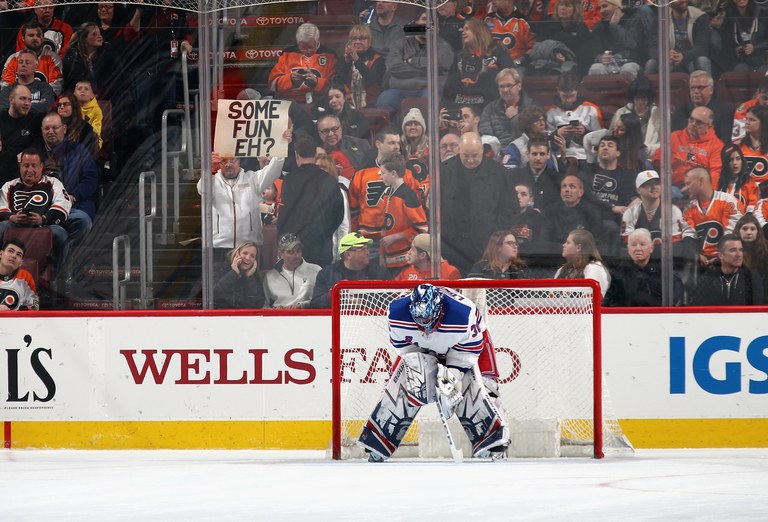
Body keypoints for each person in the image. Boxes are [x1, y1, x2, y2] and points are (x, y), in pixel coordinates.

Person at [358, 283, 509, 461]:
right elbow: (407, 350)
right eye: (419, 321)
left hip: (465, 349)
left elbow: (467, 353)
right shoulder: (396, 312)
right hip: (422, 348)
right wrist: (422, 370)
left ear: (440, 309)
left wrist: (451, 379)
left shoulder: (463, 313)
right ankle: (379, 439)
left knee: (482, 388)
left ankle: (494, 442)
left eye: (429, 319)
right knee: (408, 383)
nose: (425, 326)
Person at [440, 132, 518, 275]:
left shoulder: (498, 171)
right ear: (458, 151)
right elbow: (435, 206)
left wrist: (496, 234)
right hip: (451, 247)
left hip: (486, 247)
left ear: (482, 150)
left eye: (475, 155)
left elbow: (511, 207)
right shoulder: (444, 170)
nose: (470, 160)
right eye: (466, 156)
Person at [39, 111, 99, 268]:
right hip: (43, 209)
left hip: (74, 206)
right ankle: (63, 266)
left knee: (84, 222)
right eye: (47, 128)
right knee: (57, 232)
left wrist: (73, 196)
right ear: (41, 130)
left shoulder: (78, 150)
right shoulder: (35, 153)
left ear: (64, 129)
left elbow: (91, 178)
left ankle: (63, 261)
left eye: (55, 128)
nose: (51, 132)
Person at [0, 148, 71, 278]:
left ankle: (56, 277)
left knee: (60, 233)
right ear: (20, 166)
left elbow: (62, 207)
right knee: (1, 227)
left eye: (34, 166)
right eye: (26, 165)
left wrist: (43, 219)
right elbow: (1, 209)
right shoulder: (9, 186)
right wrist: (12, 217)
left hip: (44, 225)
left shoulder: (53, 183)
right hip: (15, 225)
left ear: (41, 167)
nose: (30, 170)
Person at [198, 152, 285, 256]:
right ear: (219, 164)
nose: (228, 164)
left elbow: (273, 171)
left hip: (249, 245)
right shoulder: (212, 180)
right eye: (224, 161)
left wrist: (281, 150)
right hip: (219, 245)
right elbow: (202, 190)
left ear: (239, 161)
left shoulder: (253, 179)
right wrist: (208, 169)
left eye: (232, 160)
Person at [278, 136, 345, 267]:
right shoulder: (330, 180)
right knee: (319, 285)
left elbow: (284, 215)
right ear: (315, 154)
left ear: (297, 155)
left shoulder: (289, 180)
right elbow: (338, 215)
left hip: (294, 247)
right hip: (321, 245)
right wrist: (324, 232)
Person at [374, 11, 453, 116]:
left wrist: (411, 61)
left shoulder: (444, 46)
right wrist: (424, 70)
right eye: (424, 19)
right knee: (384, 99)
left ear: (437, 28)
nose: (428, 24)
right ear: (416, 22)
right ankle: (392, 130)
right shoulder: (400, 43)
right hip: (400, 88)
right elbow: (393, 66)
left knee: (429, 100)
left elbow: (440, 64)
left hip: (427, 89)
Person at [444, 18, 515, 109]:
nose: (463, 32)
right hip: (465, 100)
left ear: (478, 31)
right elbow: (452, 82)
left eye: (467, 29)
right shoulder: (459, 56)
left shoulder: (497, 51)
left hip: (492, 100)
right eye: (463, 29)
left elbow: (510, 75)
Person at [605, 228, 684, 307]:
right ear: (628, 249)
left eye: (642, 244)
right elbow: (611, 301)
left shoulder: (664, 268)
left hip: (659, 315)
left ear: (651, 248)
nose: (638, 249)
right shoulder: (620, 271)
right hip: (630, 316)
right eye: (633, 245)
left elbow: (676, 296)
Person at [654, 106, 724, 193]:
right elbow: (657, 158)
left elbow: (715, 174)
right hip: (672, 183)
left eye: (699, 122)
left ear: (709, 127)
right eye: (691, 119)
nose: (693, 124)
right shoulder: (674, 137)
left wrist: (701, 190)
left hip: (696, 189)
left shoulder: (716, 146)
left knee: (667, 192)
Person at [310, 232, 388, 308]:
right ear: (348, 255)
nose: (367, 252)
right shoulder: (326, 274)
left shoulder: (380, 273)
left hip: (370, 319)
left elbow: (390, 299)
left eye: (367, 248)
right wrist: (334, 295)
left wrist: (364, 303)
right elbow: (315, 303)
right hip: (337, 320)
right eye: (362, 249)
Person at [682, 167, 742, 266]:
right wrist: (695, 256)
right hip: (701, 265)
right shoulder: (688, 209)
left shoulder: (728, 201)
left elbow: (732, 235)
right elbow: (689, 236)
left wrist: (720, 258)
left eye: (688, 183)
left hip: (727, 262)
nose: (684, 189)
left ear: (701, 181)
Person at [379, 152, 428, 273]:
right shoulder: (387, 193)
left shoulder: (408, 196)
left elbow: (422, 228)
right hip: (390, 259)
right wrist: (382, 254)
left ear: (393, 173)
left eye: (383, 172)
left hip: (406, 260)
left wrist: (396, 237)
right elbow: (385, 226)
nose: (380, 175)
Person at [267, 23, 337, 104]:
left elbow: (337, 87)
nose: (308, 51)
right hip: (289, 102)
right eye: (303, 47)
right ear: (298, 43)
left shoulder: (330, 55)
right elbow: (272, 85)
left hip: (320, 102)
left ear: (317, 41)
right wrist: (290, 79)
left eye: (311, 47)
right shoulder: (287, 53)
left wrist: (317, 82)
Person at [546, 71, 603, 164]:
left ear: (577, 90)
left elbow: (600, 140)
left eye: (572, 96)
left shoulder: (591, 109)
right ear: (557, 90)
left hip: (585, 158)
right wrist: (556, 134)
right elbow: (544, 142)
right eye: (564, 96)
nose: (568, 100)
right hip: (559, 159)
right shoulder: (550, 112)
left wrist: (585, 133)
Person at [690, 234, 764, 305]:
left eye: (740, 250)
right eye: (733, 250)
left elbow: (757, 310)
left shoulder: (751, 278)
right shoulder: (707, 279)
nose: (739, 255)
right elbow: (699, 309)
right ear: (721, 255)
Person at [645, 0, 712, 75]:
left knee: (703, 60)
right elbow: (652, 47)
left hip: (691, 59)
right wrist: (664, 55)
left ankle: (707, 86)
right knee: (651, 63)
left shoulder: (700, 17)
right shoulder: (661, 19)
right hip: (669, 60)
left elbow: (702, 47)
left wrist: (684, 55)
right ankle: (646, 87)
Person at [543, 174, 605, 252]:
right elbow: (544, 241)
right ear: (560, 192)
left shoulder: (592, 213)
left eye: (572, 186)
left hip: (581, 257)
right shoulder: (550, 211)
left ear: (581, 192)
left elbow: (595, 244)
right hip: (553, 256)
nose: (567, 190)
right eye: (564, 186)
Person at [671, 71, 734, 145]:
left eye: (700, 87)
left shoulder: (724, 111)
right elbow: (674, 140)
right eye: (693, 88)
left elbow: (726, 142)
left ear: (711, 90)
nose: (696, 91)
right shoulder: (681, 112)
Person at [2, 21, 63, 95]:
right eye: (31, 35)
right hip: (17, 104)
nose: (35, 38)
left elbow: (55, 87)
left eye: (38, 35)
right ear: (23, 38)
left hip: (45, 104)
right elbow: (6, 87)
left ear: (43, 38)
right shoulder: (13, 59)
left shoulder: (53, 58)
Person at [586, 0, 643, 80]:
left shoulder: (633, 19)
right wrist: (600, 57)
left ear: (616, 6)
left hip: (630, 62)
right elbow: (593, 52)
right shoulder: (599, 26)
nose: (602, 11)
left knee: (628, 69)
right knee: (595, 69)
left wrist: (614, 26)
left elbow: (632, 44)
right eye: (599, 8)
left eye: (605, 6)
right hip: (608, 65)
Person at [479, 68, 535, 148]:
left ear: (519, 86)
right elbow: (486, 136)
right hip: (497, 154)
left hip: (524, 153)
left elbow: (531, 137)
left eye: (509, 85)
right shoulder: (489, 109)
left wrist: (515, 119)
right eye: (501, 86)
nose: (505, 90)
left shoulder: (532, 108)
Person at [263, 233, 322, 309]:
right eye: (291, 252)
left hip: (307, 316)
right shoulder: (270, 276)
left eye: (298, 251)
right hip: (279, 318)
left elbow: (322, 300)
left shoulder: (316, 270)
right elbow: (264, 306)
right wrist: (273, 310)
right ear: (280, 254)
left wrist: (302, 305)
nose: (297, 256)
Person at [0, 85, 44, 185]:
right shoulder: (1, 119)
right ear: (11, 99)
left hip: (25, 178)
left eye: (29, 100)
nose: (27, 103)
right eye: (23, 99)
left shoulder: (35, 120)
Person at [335, 24, 385, 108]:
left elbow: (372, 81)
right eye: (354, 38)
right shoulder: (343, 60)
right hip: (347, 105)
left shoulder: (378, 60)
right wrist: (347, 62)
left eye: (362, 38)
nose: (358, 42)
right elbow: (338, 83)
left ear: (370, 41)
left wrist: (357, 60)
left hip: (371, 105)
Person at [609, 76, 660, 157]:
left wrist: (647, 150)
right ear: (632, 97)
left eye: (644, 99)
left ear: (649, 98)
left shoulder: (658, 114)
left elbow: (665, 144)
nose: (640, 102)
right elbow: (613, 137)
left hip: (650, 158)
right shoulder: (621, 112)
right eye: (637, 98)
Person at [508, 137, 563, 211]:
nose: (538, 158)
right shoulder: (514, 177)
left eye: (542, 154)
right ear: (527, 154)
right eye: (534, 154)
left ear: (548, 155)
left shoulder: (557, 180)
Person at [503, 106, 566, 171]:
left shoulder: (549, 142)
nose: (542, 123)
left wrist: (563, 154)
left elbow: (556, 170)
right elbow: (509, 172)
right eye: (537, 121)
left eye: (543, 120)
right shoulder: (516, 146)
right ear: (527, 124)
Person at [554, 229, 611, 298]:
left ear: (578, 248)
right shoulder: (563, 270)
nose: (563, 245)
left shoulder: (595, 268)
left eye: (568, 242)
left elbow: (590, 299)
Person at [315, 153, 351, 261]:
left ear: (330, 170)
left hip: (332, 251)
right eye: (317, 167)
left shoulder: (339, 192)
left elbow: (344, 226)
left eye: (324, 167)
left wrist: (342, 253)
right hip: (312, 249)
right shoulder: (307, 192)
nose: (320, 170)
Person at [716, 0, 768, 74]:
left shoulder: (763, 13)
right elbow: (726, 43)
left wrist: (755, 47)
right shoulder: (728, 17)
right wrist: (737, 49)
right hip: (741, 60)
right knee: (740, 70)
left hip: (763, 58)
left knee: (762, 74)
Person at [316, 113, 371, 181]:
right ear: (319, 134)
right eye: (325, 131)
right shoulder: (316, 154)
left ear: (341, 128)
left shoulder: (360, 144)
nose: (330, 134)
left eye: (334, 129)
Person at [213, 241, 266, 309]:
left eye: (252, 256)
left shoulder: (255, 277)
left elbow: (258, 304)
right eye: (245, 253)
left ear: (255, 261)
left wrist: (249, 278)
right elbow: (214, 295)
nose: (247, 258)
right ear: (236, 253)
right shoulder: (219, 268)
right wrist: (234, 273)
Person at [483, 0, 535, 64]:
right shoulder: (485, 20)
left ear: (509, 1)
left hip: (515, 67)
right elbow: (477, 45)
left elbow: (533, 48)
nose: (493, 2)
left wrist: (520, 61)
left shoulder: (525, 22)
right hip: (490, 66)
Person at [394, 233, 461, 281]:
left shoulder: (450, 272)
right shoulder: (405, 273)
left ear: (422, 255)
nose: (408, 252)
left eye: (412, 249)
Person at [55, 92, 99, 160]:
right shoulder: (53, 125)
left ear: (74, 106)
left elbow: (86, 153)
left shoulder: (85, 127)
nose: (62, 107)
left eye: (66, 104)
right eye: (59, 105)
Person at [718, 144, 759, 214]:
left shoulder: (749, 182)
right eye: (731, 160)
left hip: (744, 222)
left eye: (738, 159)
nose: (735, 163)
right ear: (725, 163)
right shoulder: (718, 183)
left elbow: (752, 205)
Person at [0, 237, 39, 311]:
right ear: (1, 254)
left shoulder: (26, 277)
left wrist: (18, 314)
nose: (14, 256)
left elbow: (35, 306)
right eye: (10, 251)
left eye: (19, 255)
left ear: (21, 263)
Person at [737, 104, 768, 187]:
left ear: (763, 123)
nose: (747, 122)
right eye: (746, 119)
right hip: (743, 190)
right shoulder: (738, 146)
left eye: (752, 120)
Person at [735, 213, 768, 284]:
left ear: (758, 232)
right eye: (745, 229)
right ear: (738, 231)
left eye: (752, 229)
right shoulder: (731, 250)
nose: (749, 232)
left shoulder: (765, 251)